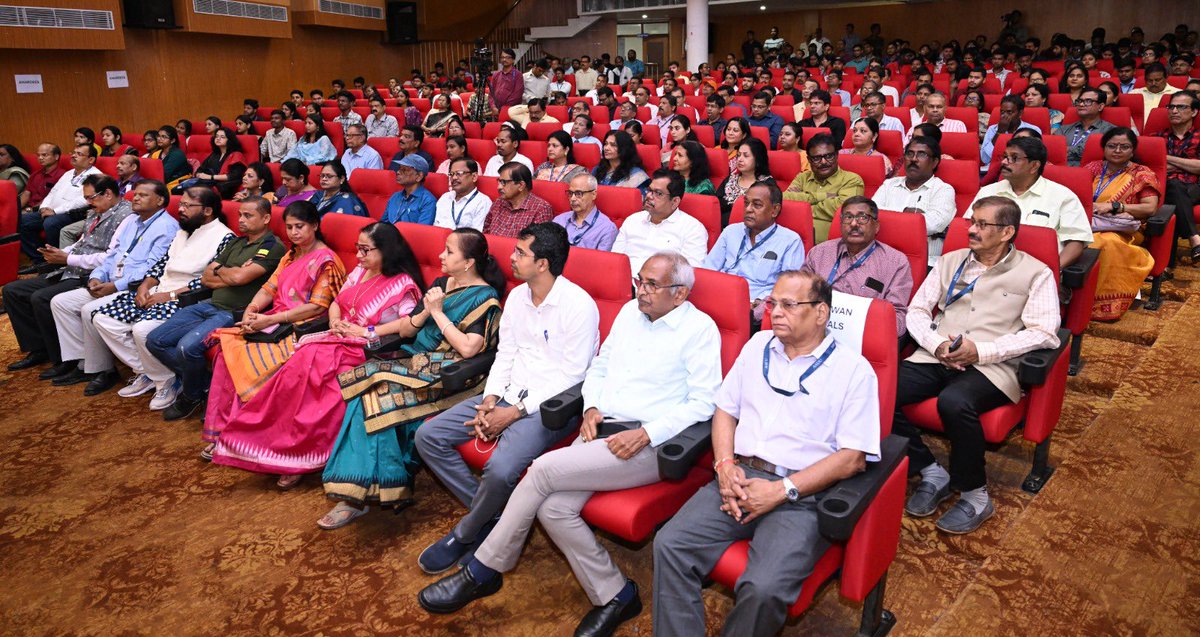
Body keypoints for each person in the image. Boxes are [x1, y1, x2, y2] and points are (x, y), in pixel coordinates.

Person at [420, 250, 721, 633]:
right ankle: (617, 595)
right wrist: (592, 406)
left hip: (647, 442)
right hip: (599, 428)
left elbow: (705, 402)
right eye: (638, 281)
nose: (641, 291)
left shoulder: (700, 329)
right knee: (554, 510)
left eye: (651, 285)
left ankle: (483, 568)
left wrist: (647, 433)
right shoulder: (631, 313)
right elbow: (600, 364)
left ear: (679, 294)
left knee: (542, 470)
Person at [653, 269, 880, 637]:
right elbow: (725, 409)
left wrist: (781, 490)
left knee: (764, 588)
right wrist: (724, 466)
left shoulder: (854, 371)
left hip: (800, 495)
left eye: (789, 305)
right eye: (773, 303)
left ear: (821, 313)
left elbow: (853, 456)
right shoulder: (757, 345)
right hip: (739, 478)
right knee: (670, 545)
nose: (774, 312)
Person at [414, 223, 599, 573]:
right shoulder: (517, 296)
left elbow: (573, 376)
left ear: (542, 263)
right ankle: (492, 514)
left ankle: (466, 532)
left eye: (520, 253)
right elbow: (506, 353)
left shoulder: (579, 306)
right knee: (429, 436)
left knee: (499, 469)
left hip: (550, 408)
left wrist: (513, 412)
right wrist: (490, 398)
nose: (511, 258)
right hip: (507, 395)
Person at [212, 222, 422, 488]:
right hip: (336, 338)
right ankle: (274, 447)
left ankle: (299, 456)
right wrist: (334, 322)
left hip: (369, 349)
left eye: (365, 250)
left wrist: (365, 330)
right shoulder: (360, 271)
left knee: (317, 375)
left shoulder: (402, 283)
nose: (358, 257)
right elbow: (336, 303)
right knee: (295, 372)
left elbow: (407, 325)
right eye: (358, 249)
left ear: (387, 251)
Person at [895, 196, 1060, 534]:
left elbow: (1044, 332)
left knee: (954, 402)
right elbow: (917, 311)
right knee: (876, 391)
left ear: (1007, 232)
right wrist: (937, 344)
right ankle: (929, 469)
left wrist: (981, 351)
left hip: (992, 364)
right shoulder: (950, 261)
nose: (971, 229)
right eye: (972, 221)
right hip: (936, 353)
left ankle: (975, 494)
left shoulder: (1035, 273)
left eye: (983, 224)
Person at [320, 228, 505, 527]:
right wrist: (424, 313)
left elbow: (470, 349)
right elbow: (407, 329)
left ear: (469, 262)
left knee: (375, 397)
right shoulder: (442, 284)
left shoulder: (486, 299)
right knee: (365, 391)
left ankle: (363, 491)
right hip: (413, 359)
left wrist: (439, 313)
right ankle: (364, 489)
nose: (441, 256)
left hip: (450, 374)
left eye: (449, 251)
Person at [200, 200, 345, 458]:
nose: (294, 233)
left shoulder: (327, 260)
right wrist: (252, 309)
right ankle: (225, 431)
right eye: (289, 227)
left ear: (315, 225)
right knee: (226, 352)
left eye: (300, 226)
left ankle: (248, 437)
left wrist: (270, 319)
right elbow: (271, 287)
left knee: (245, 357)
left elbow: (317, 307)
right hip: (275, 322)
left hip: (304, 328)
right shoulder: (291, 255)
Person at [142, 196, 286, 420]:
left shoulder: (271, 246)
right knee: (155, 340)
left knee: (186, 348)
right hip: (209, 303)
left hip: (233, 312)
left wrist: (224, 271)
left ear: (266, 218)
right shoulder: (236, 242)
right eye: (240, 215)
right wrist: (229, 273)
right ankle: (205, 386)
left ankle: (190, 396)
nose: (241, 220)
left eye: (248, 215)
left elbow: (238, 277)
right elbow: (207, 277)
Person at [89, 186, 235, 398]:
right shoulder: (183, 231)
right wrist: (144, 286)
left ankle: (164, 380)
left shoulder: (224, 237)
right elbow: (161, 265)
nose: (181, 209)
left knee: (142, 329)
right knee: (103, 319)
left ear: (207, 210)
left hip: (184, 298)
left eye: (187, 205)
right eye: (181, 204)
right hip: (159, 289)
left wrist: (168, 296)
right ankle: (152, 373)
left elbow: (207, 282)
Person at [47, 180, 179, 389]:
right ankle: (81, 362)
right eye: (135, 194)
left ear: (160, 200)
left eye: (143, 195)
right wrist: (97, 277)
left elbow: (153, 268)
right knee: (60, 302)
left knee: (89, 310)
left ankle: (109, 369)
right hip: (108, 282)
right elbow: (113, 256)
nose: (135, 198)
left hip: (133, 287)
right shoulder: (131, 221)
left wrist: (116, 286)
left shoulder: (167, 227)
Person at [5, 175, 132, 376]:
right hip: (71, 267)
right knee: (13, 290)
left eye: (91, 197)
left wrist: (67, 258)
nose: (88, 203)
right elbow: (83, 241)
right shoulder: (95, 211)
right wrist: (59, 251)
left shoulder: (127, 216)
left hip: (91, 274)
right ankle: (39, 348)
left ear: (108, 193)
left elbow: (110, 258)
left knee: (42, 298)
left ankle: (65, 359)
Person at [970, 137, 1093, 267]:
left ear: (1034, 166)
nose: (1005, 162)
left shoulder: (1063, 196)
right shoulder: (988, 192)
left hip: (1038, 270)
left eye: (1014, 158)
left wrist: (1052, 272)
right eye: (1005, 156)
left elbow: (1076, 241)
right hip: (986, 267)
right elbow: (968, 230)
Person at [803, 196, 913, 335]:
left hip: (863, 337)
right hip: (815, 332)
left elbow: (897, 320)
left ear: (876, 226)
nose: (854, 223)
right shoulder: (819, 252)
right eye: (848, 217)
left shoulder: (896, 262)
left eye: (863, 218)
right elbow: (800, 296)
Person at [1085, 128, 1162, 320]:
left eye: (1124, 146)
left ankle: (1096, 303)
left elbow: (1150, 208)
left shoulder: (1142, 173)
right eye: (1112, 146)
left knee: (1100, 243)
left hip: (1123, 229)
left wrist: (1116, 206)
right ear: (1104, 148)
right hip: (1088, 222)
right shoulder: (1092, 168)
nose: (1117, 150)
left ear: (1133, 150)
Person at [704, 181, 805, 322]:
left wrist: (762, 303)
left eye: (757, 205)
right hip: (719, 299)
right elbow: (709, 269)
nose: (748, 209)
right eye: (746, 203)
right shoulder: (731, 231)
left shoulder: (790, 241)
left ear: (774, 210)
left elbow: (789, 288)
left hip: (753, 309)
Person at [873, 137, 957, 265]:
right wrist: (909, 215)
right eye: (909, 153)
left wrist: (888, 217)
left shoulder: (943, 189)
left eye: (921, 154)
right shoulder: (888, 184)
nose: (913, 159)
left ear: (934, 162)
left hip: (924, 261)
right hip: (882, 254)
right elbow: (872, 215)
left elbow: (934, 224)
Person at [18, 144, 102, 266]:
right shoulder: (69, 173)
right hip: (51, 211)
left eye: (79, 154)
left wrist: (56, 211)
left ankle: (57, 262)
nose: (73, 156)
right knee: (22, 220)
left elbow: (84, 200)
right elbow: (53, 192)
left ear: (91, 159)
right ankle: (40, 259)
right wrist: (43, 208)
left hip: (74, 213)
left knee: (51, 223)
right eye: (73, 152)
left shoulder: (95, 176)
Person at [612, 169, 708, 270]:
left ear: (675, 201)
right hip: (622, 281)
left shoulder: (692, 229)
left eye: (658, 193)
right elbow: (615, 260)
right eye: (649, 190)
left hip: (660, 285)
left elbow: (690, 273)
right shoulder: (632, 220)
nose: (649, 196)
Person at [784, 134, 865, 242]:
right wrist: (823, 196)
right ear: (809, 160)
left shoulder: (852, 180)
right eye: (817, 158)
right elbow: (784, 200)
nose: (823, 162)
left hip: (830, 248)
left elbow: (845, 211)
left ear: (836, 155)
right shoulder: (802, 178)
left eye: (829, 156)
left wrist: (801, 208)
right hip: (791, 243)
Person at [1157, 92, 1200, 260]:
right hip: (1166, 188)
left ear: (1194, 112)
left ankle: (1165, 265)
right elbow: (1153, 168)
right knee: (1172, 198)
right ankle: (1195, 239)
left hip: (1196, 187)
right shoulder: (1157, 137)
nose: (1174, 111)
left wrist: (1166, 158)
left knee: (1172, 193)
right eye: (1171, 106)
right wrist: (1189, 164)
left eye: (1181, 107)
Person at [482, 162, 553, 237]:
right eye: (499, 181)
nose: (499, 187)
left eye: (504, 182)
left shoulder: (541, 209)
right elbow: (486, 233)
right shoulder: (499, 202)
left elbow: (538, 245)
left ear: (521, 185)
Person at [552, 173, 618, 251]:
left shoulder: (607, 229)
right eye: (570, 193)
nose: (572, 199)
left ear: (593, 195)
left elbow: (602, 262)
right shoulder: (559, 220)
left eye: (578, 193)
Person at [718, 138, 774, 226]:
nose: (740, 159)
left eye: (746, 156)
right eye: (738, 155)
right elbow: (716, 206)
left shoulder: (767, 185)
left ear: (758, 159)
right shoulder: (731, 179)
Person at [181, 127, 246, 199]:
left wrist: (210, 177)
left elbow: (234, 176)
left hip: (224, 188)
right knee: (183, 190)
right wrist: (199, 174)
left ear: (229, 140)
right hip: (209, 184)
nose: (218, 138)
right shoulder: (215, 154)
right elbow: (201, 168)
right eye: (217, 136)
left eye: (222, 137)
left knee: (195, 194)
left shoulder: (236, 155)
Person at [1056, 87, 1115, 166]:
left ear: (1100, 106)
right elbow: (1054, 151)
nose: (1081, 104)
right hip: (1061, 171)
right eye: (1079, 101)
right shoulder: (1064, 129)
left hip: (1095, 173)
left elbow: (1098, 153)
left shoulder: (1111, 131)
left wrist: (1067, 150)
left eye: (1088, 101)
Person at [981, 95, 1041, 168]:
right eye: (1002, 112)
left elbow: (1035, 157)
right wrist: (999, 132)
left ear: (1020, 113)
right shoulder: (993, 129)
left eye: (1009, 112)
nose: (1004, 116)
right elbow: (984, 159)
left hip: (1022, 170)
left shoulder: (1033, 130)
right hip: (995, 169)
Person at [435, 157, 491, 231]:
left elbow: (476, 237)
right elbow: (436, 227)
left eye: (459, 173)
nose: (454, 177)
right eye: (451, 174)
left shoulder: (483, 202)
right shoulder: (445, 197)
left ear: (474, 177)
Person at [383, 155, 437, 225]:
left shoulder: (428, 201)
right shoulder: (395, 197)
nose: (398, 172)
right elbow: (383, 223)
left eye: (404, 170)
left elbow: (423, 231)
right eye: (399, 169)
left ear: (419, 176)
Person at [19, 143, 65, 214]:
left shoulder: (63, 176)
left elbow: (52, 199)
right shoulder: (35, 174)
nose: (40, 158)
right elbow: (26, 194)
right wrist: (15, 209)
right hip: (28, 208)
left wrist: (29, 210)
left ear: (56, 156)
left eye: (44, 155)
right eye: (38, 155)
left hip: (44, 210)